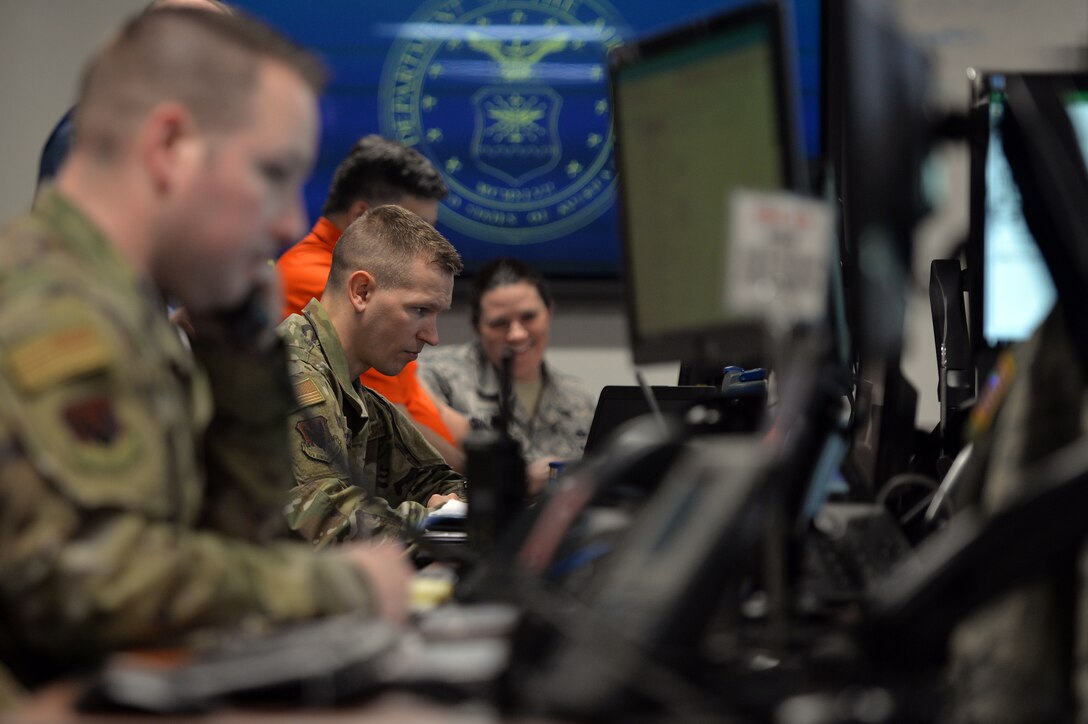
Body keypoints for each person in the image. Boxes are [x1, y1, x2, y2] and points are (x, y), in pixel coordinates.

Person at [0, 8, 410, 688]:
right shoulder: (53, 314)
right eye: (272, 173)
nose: (287, 220)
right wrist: (341, 587)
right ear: (169, 148)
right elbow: (88, 584)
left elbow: (224, 546)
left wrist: (242, 368)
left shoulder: (128, 312)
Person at [276, 135, 469, 469]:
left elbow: (417, 402)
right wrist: (489, 483)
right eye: (411, 227)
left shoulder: (396, 295)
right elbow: (397, 421)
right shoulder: (324, 279)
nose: (428, 244)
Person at [281, 205, 467, 548]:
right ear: (362, 291)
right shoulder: (292, 375)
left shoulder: (353, 392)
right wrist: (437, 521)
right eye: (420, 310)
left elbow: (435, 481)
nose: (432, 335)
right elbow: (323, 519)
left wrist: (457, 508)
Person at [418, 257, 596, 488]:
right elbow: (426, 482)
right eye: (500, 323)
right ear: (476, 326)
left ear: (549, 311)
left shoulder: (578, 398)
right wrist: (517, 483)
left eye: (528, 317)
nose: (517, 335)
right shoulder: (436, 378)